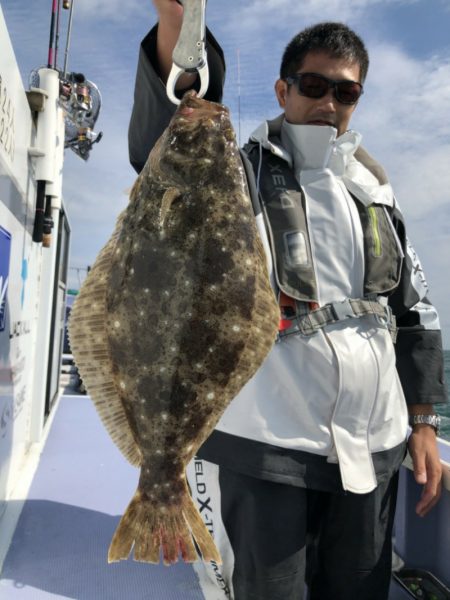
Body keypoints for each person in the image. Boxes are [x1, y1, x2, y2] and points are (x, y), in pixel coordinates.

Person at [128, 2, 448, 598]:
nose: (329, 102)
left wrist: (424, 423)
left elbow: (415, 314)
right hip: (270, 445)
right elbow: (172, 134)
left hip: (375, 445)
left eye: (346, 92)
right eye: (313, 84)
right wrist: (180, 27)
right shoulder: (234, 171)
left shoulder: (375, 195)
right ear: (283, 89)